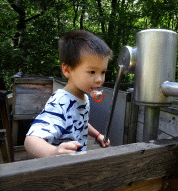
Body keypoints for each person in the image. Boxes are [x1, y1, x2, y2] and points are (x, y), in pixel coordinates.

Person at [24, 30, 112, 158]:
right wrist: (53, 152)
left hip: (75, 163)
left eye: (103, 72)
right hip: (60, 168)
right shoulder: (61, 102)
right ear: (67, 70)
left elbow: (80, 123)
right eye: (92, 72)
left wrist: (97, 135)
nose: (99, 79)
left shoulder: (84, 98)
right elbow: (30, 140)